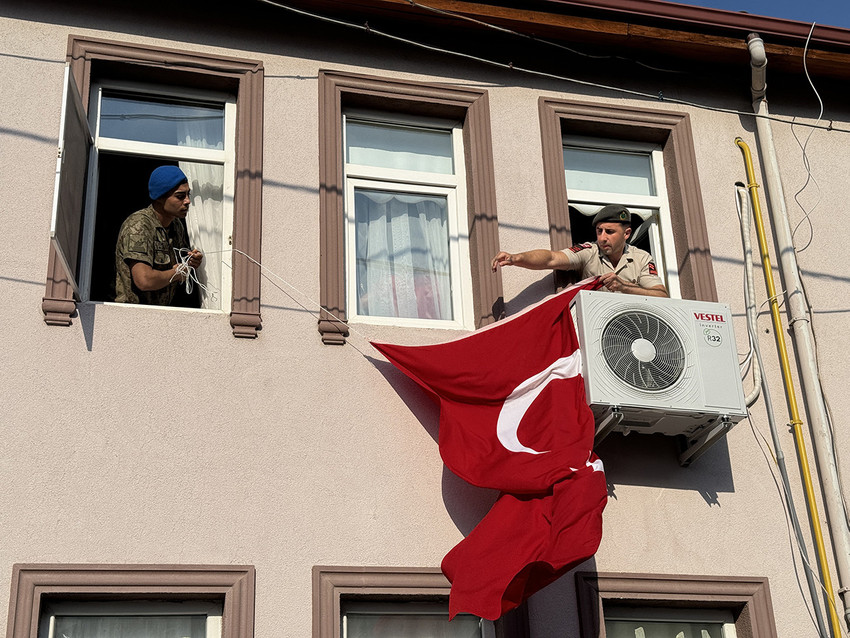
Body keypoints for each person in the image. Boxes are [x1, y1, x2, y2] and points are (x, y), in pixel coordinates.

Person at [491, 204, 668, 297]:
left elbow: (661, 295)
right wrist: (516, 258)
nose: (603, 237)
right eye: (599, 231)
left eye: (610, 232)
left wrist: (624, 287)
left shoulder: (642, 258)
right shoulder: (589, 251)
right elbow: (551, 258)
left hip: (636, 330)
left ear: (627, 233)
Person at [114, 166, 204, 305]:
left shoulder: (176, 225)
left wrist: (192, 261)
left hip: (161, 314)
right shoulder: (139, 225)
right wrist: (176, 274)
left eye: (188, 195)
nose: (187, 201)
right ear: (160, 197)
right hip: (134, 313)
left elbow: (182, 261)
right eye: (180, 196)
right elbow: (144, 280)